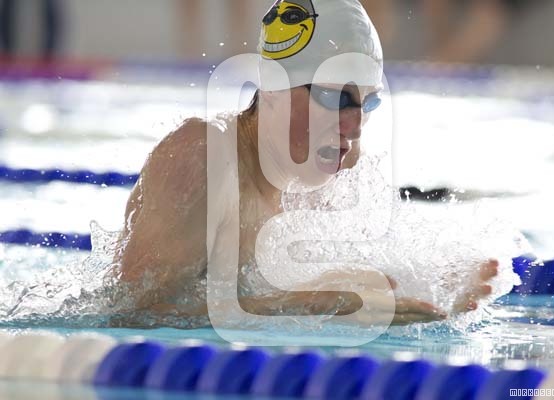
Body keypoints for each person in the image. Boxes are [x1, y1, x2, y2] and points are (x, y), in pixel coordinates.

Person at [115, 0, 498, 327]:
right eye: (337, 99)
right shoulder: (205, 159)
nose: (355, 127)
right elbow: (131, 312)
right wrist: (310, 306)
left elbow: (346, 280)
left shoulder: (340, 168)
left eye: (368, 103)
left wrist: (432, 288)